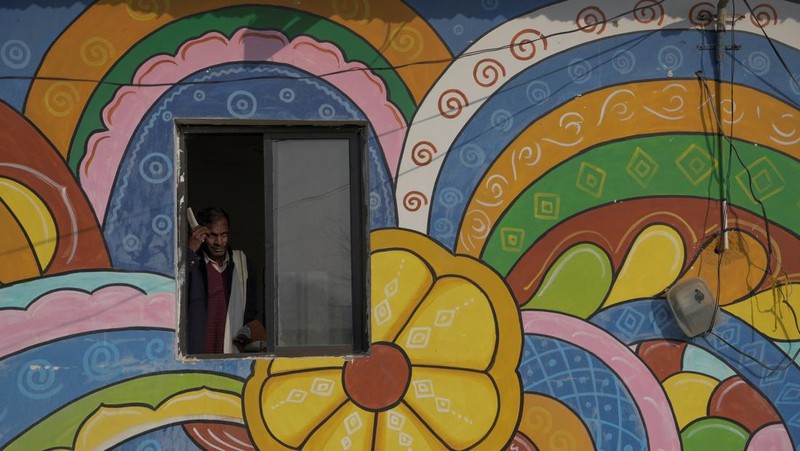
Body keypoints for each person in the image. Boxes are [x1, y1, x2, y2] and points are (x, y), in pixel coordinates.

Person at [186, 207, 264, 354]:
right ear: (200, 235)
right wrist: (190, 252)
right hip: (197, 356)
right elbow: (174, 293)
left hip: (231, 355)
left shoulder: (242, 264)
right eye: (212, 236)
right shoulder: (193, 265)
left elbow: (250, 313)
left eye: (224, 235)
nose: (219, 242)